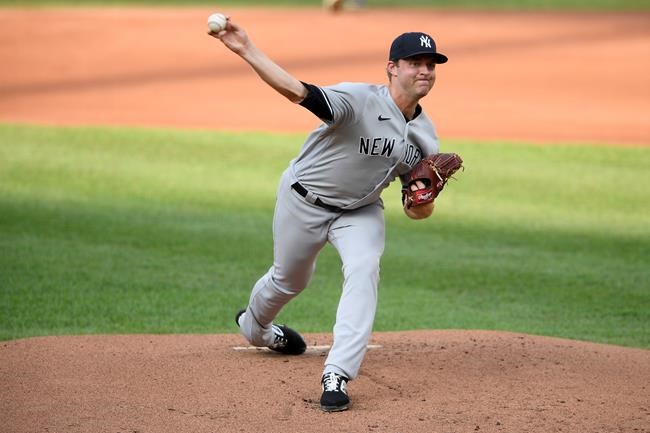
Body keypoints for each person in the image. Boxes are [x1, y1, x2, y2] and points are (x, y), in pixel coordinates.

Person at [208, 18, 448, 412]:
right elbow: (297, 92)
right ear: (392, 67)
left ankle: (337, 373)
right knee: (289, 279)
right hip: (303, 199)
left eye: (431, 64)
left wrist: (421, 201)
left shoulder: (426, 136)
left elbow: (418, 210)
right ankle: (256, 329)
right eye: (414, 62)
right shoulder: (358, 100)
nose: (424, 70)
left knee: (364, 267)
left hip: (361, 210)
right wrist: (246, 49)